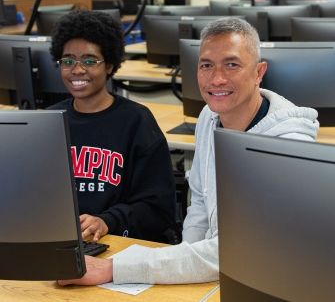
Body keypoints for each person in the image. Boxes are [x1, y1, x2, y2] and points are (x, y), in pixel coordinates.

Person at [57, 16, 319, 286]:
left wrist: (115, 268)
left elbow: (240, 250)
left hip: (274, 282)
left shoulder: (287, 147)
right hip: (223, 272)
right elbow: (201, 206)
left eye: (232, 65)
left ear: (258, 72)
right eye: (206, 65)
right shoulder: (209, 117)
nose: (217, 78)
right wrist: (181, 265)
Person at [48, 10, 177, 243]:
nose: (77, 70)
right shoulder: (49, 122)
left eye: (89, 60)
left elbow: (159, 209)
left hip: (119, 244)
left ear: (109, 65)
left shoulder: (137, 121)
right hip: (63, 242)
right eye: (68, 61)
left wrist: (107, 221)